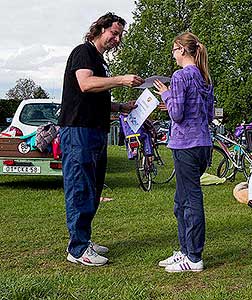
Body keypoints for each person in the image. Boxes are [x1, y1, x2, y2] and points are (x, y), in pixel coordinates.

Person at [59, 12, 144, 266]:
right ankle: (77, 249)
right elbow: (85, 84)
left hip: (96, 130)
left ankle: (83, 239)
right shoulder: (83, 52)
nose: (116, 39)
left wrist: (120, 107)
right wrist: (120, 80)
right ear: (99, 29)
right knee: (80, 187)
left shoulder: (99, 60)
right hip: (78, 130)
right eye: (114, 33)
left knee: (93, 189)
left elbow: (95, 98)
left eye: (119, 36)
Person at [153, 32, 214, 273]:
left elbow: (176, 114)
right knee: (181, 200)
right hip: (203, 144)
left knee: (190, 200)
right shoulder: (205, 78)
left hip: (185, 145)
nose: (173, 55)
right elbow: (208, 115)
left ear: (182, 50)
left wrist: (166, 95)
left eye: (174, 50)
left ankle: (195, 257)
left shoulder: (180, 77)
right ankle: (185, 250)